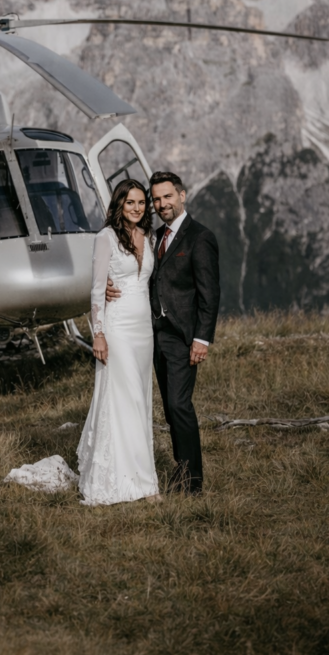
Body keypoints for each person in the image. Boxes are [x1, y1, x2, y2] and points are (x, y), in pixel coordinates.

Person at [107, 171, 220, 494]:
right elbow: (139, 275)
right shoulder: (154, 237)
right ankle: (181, 472)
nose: (161, 204)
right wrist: (108, 285)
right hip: (152, 335)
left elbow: (210, 293)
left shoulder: (200, 237)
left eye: (167, 196)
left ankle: (192, 483)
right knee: (170, 410)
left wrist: (202, 339)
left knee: (179, 405)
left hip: (183, 337)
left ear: (182, 196)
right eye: (156, 199)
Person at [77, 179, 161, 506]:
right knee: (126, 400)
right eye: (130, 203)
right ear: (119, 205)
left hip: (144, 331)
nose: (137, 208)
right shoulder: (105, 238)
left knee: (140, 401)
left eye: (141, 203)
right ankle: (142, 486)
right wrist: (97, 334)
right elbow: (97, 290)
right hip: (117, 328)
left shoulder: (148, 236)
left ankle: (136, 475)